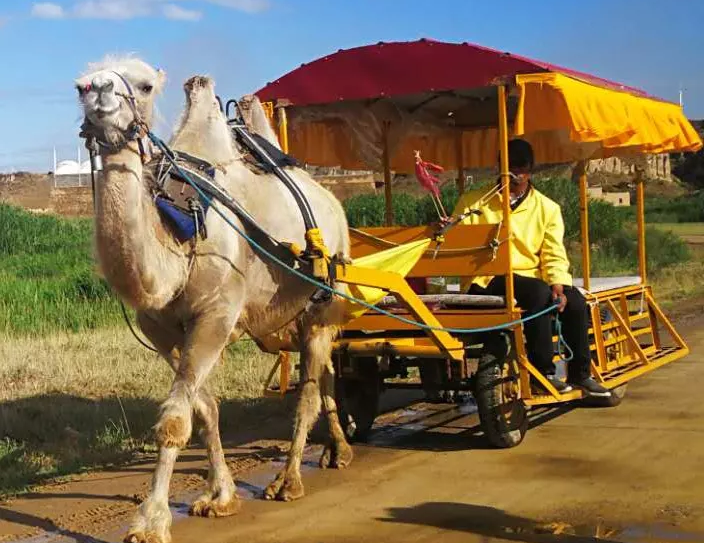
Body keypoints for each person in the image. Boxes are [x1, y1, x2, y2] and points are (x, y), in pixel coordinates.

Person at [452, 139, 610, 397]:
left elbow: (553, 252)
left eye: (521, 168)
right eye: (509, 167)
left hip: (530, 277)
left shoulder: (547, 208)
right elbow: (458, 243)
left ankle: (581, 374)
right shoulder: (474, 203)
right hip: (488, 276)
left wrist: (558, 283)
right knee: (538, 294)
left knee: (576, 302)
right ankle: (542, 373)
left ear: (531, 169)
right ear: (499, 168)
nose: (515, 174)